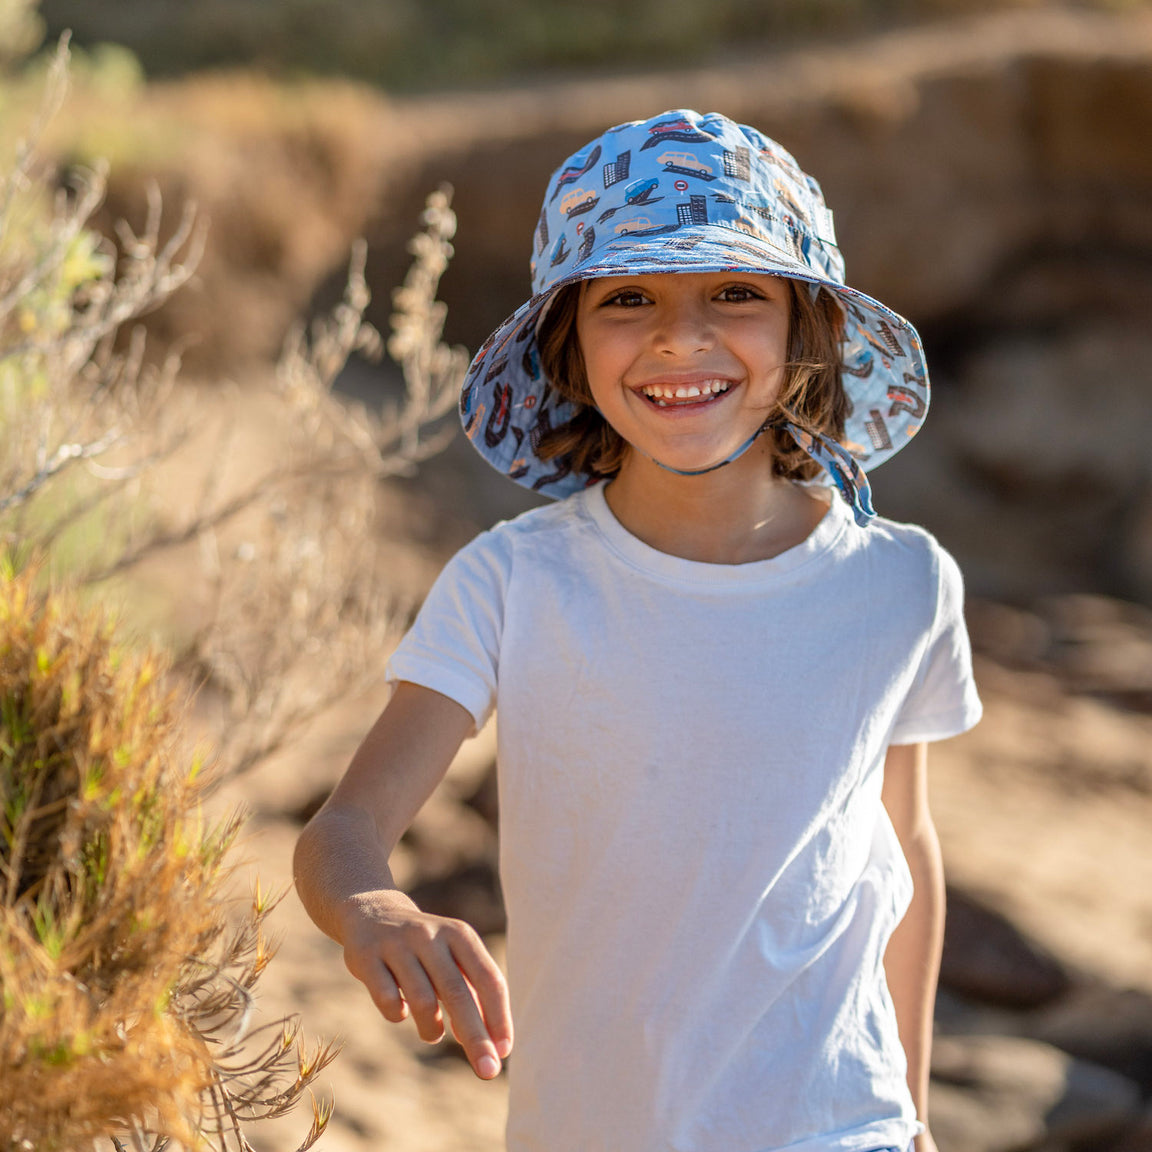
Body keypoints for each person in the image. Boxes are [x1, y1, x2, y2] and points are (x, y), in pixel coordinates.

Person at [293, 109, 982, 1152]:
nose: (680, 337)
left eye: (736, 292)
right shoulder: (515, 583)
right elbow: (341, 834)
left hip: (845, 1128)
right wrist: (375, 912)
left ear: (808, 327)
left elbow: (906, 851)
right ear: (566, 343)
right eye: (627, 298)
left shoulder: (902, 584)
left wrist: (917, 1113)